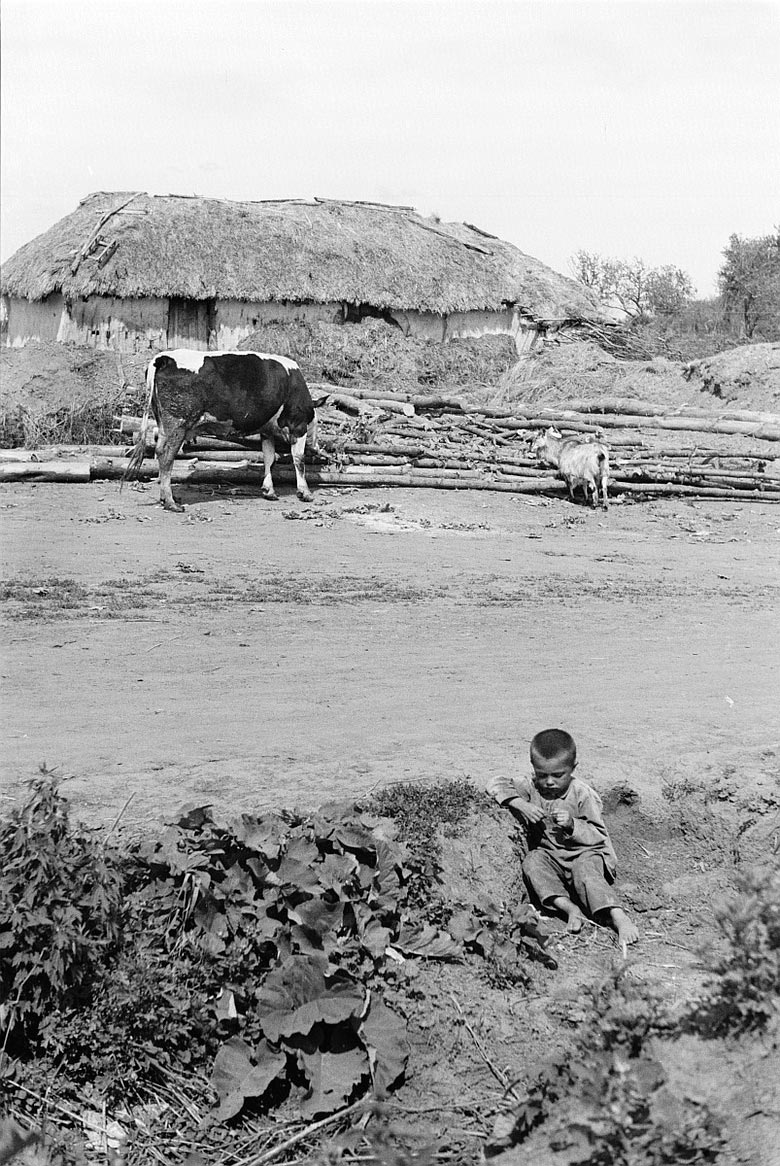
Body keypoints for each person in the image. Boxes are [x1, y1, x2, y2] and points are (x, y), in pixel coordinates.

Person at [490, 728, 639, 950]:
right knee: (532, 861)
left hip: (585, 854)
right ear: (534, 769)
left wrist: (572, 824)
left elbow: (598, 835)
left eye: (558, 775)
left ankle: (618, 917)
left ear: (572, 769)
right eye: (542, 775)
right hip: (552, 857)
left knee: (585, 871)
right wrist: (521, 804)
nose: (549, 782)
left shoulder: (582, 794)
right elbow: (495, 783)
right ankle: (570, 909)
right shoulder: (532, 787)